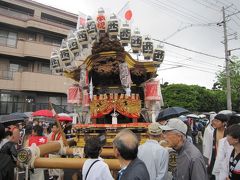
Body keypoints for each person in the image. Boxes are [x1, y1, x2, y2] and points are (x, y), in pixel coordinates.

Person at [212, 114, 240, 180]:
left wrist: (216, 171)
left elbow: (220, 158)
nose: (226, 137)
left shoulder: (224, 142)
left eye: (228, 135)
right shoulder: (233, 150)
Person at [208, 114, 228, 179]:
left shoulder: (228, 133)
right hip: (214, 158)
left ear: (224, 123)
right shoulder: (212, 132)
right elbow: (210, 147)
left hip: (225, 159)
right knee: (213, 175)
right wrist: (209, 159)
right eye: (214, 120)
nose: (214, 122)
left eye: (217, 121)